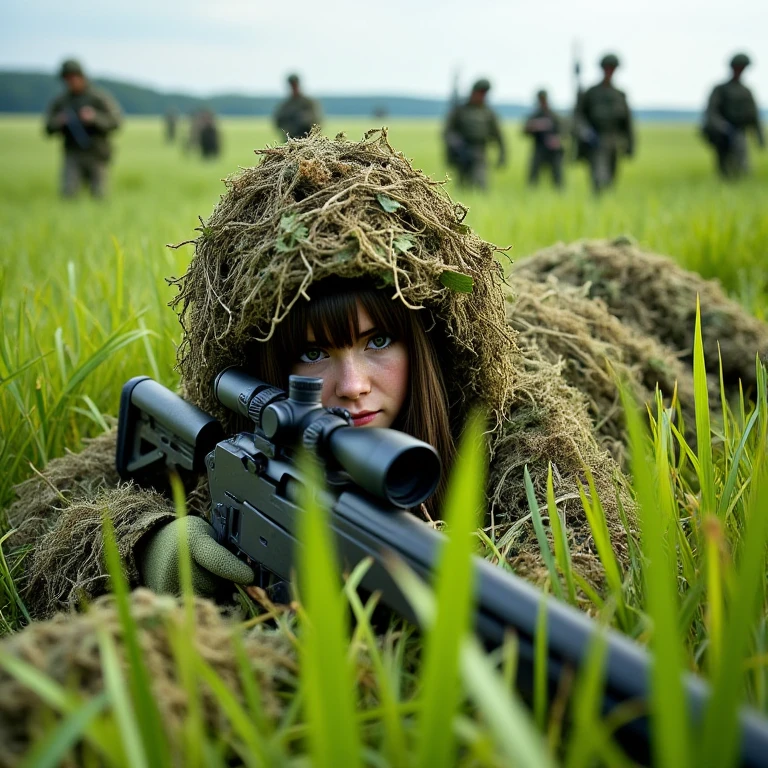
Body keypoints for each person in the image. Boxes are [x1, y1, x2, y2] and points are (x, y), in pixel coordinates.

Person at [4, 130, 768, 755]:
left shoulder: (518, 411)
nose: (352, 387)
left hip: (597, 304)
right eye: (311, 354)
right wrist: (156, 544)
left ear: (426, 341)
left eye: (377, 343)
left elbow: (582, 560)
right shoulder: (234, 418)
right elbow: (44, 508)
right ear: (258, 366)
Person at [43, 59, 122, 199]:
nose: (71, 82)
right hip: (73, 152)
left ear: (81, 76)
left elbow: (116, 122)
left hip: (96, 152)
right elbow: (47, 128)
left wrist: (94, 118)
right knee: (69, 193)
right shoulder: (62, 101)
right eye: (67, 79)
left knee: (99, 195)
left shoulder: (98, 97)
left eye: (73, 77)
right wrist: (59, 121)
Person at [573, 54, 634, 193]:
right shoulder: (591, 93)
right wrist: (586, 133)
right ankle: (597, 207)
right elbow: (578, 117)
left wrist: (630, 145)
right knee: (599, 179)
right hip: (596, 141)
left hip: (614, 142)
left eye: (612, 69)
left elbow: (628, 122)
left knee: (611, 180)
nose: (609, 72)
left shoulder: (619, 95)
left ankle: (607, 207)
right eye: (607, 69)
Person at [702, 53, 765, 179]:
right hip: (723, 134)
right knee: (724, 169)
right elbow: (711, 112)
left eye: (742, 68)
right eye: (738, 68)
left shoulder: (746, 91)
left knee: (742, 168)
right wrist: (723, 127)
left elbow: (753, 115)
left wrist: (760, 137)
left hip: (739, 132)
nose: (739, 71)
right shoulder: (721, 89)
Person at [444, 79, 507, 190]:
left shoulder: (488, 113)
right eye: (480, 93)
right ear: (474, 92)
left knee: (481, 185)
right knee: (462, 187)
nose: (481, 96)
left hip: (480, 152)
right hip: (462, 152)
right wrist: (455, 144)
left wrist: (502, 154)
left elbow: (498, 135)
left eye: (484, 93)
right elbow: (448, 132)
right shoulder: (460, 110)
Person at [523, 89, 564, 188]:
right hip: (539, 147)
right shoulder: (535, 115)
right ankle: (531, 191)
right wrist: (535, 126)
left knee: (557, 174)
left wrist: (557, 139)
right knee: (533, 174)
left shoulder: (554, 115)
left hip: (553, 150)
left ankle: (559, 191)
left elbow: (563, 129)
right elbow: (525, 131)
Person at [274, 74, 322, 140]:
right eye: (292, 85)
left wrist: (304, 121)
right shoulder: (285, 105)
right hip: (290, 141)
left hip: (308, 140)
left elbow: (317, 121)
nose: (293, 87)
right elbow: (278, 122)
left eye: (295, 85)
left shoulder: (308, 103)